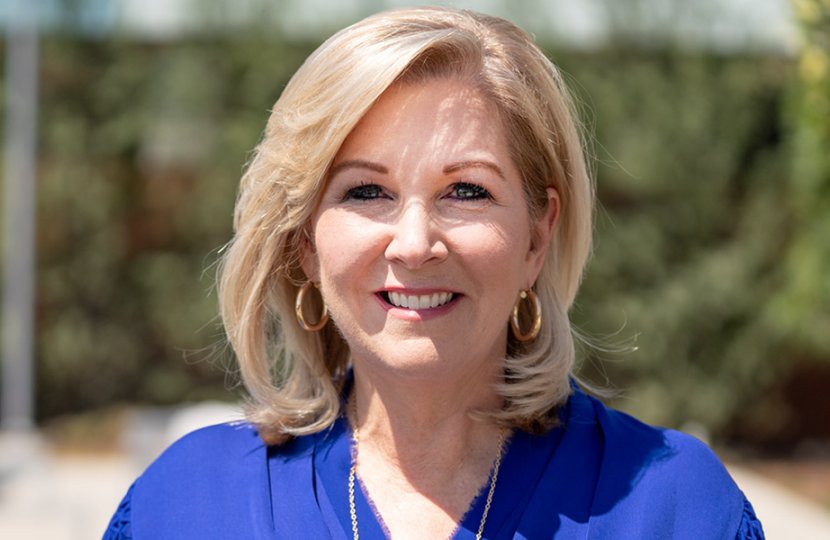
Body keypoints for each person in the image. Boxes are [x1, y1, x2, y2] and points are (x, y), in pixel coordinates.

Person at [104, 6, 764, 539]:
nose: (415, 244)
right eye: (366, 191)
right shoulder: (185, 507)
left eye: (466, 191)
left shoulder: (674, 507)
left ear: (538, 233)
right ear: (305, 242)